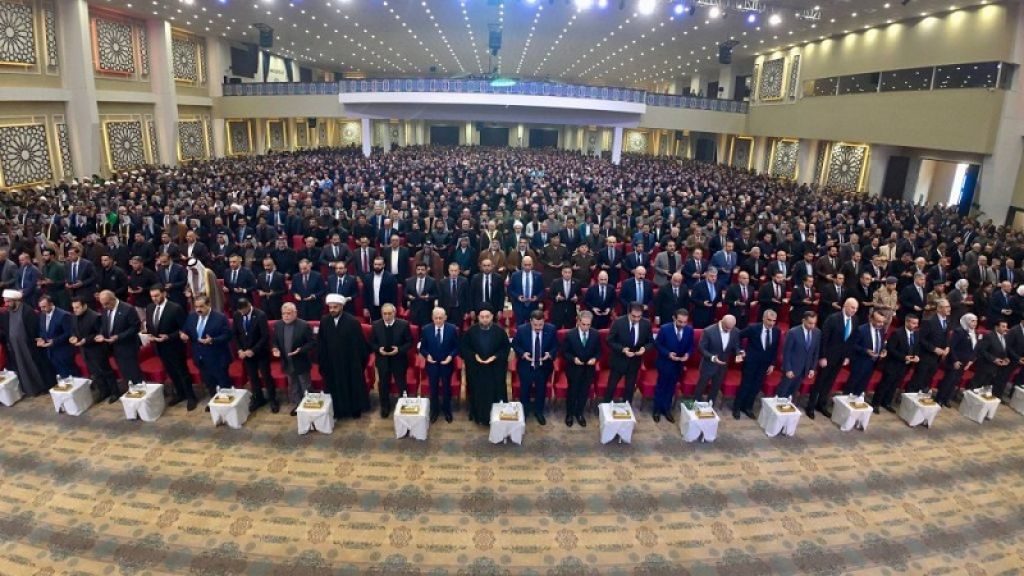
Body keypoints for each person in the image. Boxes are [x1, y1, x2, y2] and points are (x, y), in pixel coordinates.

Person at [319, 294, 371, 419]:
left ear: (341, 307)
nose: (332, 310)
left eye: (335, 307)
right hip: (332, 362)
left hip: (350, 363)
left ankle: (355, 409)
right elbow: (321, 342)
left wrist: (358, 364)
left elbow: (360, 346)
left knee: (352, 386)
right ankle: (338, 410)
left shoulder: (352, 322)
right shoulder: (324, 321)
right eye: (330, 307)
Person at [145, 285, 197, 410]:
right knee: (171, 372)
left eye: (157, 295)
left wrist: (169, 336)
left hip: (174, 346)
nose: (154, 298)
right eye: (152, 296)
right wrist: (150, 334)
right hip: (159, 347)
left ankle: (191, 396)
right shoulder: (150, 308)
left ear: (164, 293)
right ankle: (180, 393)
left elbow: (184, 328)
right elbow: (150, 325)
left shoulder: (175, 308)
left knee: (182, 372)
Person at [806, 298, 859, 419]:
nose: (854, 310)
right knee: (820, 382)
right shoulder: (833, 318)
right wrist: (822, 357)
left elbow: (852, 340)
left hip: (840, 358)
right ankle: (811, 406)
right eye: (852, 307)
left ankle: (821, 404)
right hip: (828, 357)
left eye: (856, 308)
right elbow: (824, 339)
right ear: (845, 306)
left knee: (829, 382)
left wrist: (847, 356)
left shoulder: (855, 320)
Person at [461, 305, 511, 425]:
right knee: (477, 393)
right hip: (477, 369)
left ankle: (494, 417)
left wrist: (494, 357)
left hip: (494, 370)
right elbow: (464, 349)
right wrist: (475, 356)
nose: (484, 319)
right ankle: (477, 415)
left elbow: (505, 349)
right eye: (482, 317)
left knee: (494, 393)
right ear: (478, 317)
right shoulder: (471, 332)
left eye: (487, 317)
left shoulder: (500, 332)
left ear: (492, 317)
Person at [0, 289, 55, 396]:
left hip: (30, 347)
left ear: (15, 300)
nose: (6, 304)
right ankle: (30, 389)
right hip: (16, 348)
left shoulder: (27, 311)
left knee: (35, 367)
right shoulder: (7, 313)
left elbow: (34, 331)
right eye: (5, 301)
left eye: (8, 301)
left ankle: (41, 387)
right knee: (23, 369)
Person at [180, 295, 231, 405]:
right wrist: (183, 335)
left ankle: (224, 406)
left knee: (223, 384)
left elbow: (227, 335)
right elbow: (185, 330)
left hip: (217, 358)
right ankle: (214, 402)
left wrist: (213, 340)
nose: (198, 309)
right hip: (200, 358)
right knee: (209, 383)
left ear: (209, 305)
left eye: (201, 306)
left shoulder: (220, 318)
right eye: (196, 307)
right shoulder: (192, 317)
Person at [733, 310, 780, 420]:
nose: (771, 323)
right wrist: (740, 350)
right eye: (769, 320)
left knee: (756, 386)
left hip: (764, 364)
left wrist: (772, 364)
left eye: (774, 321)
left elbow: (774, 348)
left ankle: (748, 407)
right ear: (763, 318)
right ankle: (737, 407)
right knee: (745, 385)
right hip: (751, 362)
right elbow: (738, 336)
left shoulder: (776, 331)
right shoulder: (753, 328)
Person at [512, 309, 558, 425]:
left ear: (544, 321)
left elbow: (556, 346)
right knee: (525, 390)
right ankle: (524, 411)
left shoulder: (551, 329)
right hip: (526, 365)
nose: (538, 327)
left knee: (541, 390)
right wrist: (523, 354)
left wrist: (550, 354)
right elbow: (515, 345)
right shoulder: (522, 330)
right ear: (530, 322)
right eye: (535, 325)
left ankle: (539, 412)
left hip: (543, 366)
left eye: (540, 325)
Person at [233, 298, 277, 413]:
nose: (242, 313)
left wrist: (253, 350)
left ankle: (272, 399)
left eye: (243, 310)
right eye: (240, 311)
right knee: (253, 378)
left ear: (249, 305)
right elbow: (236, 335)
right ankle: (259, 399)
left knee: (266, 377)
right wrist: (239, 350)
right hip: (246, 353)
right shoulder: (237, 315)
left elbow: (265, 336)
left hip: (261, 352)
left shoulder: (260, 315)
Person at [604, 302, 653, 404]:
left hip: (634, 362)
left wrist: (644, 349)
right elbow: (609, 340)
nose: (636, 319)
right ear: (628, 313)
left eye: (639, 316)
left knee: (630, 389)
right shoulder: (618, 322)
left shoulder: (646, 324)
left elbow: (651, 342)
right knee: (611, 387)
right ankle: (605, 405)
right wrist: (622, 349)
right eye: (633, 316)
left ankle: (627, 407)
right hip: (618, 361)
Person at [370, 303, 413, 418]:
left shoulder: (403, 325)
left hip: (398, 359)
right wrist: (378, 349)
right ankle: (385, 407)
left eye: (389, 313)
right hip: (383, 360)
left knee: (401, 384)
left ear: (394, 313)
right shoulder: (376, 325)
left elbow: (409, 342)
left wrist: (399, 350)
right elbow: (372, 343)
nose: (387, 316)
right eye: (385, 314)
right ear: (381, 314)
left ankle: (404, 404)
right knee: (383, 384)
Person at [871, 315, 921, 414]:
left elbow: (916, 347)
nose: (916, 325)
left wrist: (916, 356)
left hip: (905, 366)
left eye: (917, 323)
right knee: (885, 384)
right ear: (907, 322)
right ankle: (876, 403)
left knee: (894, 385)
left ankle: (887, 402)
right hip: (893, 364)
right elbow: (890, 349)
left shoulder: (916, 334)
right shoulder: (897, 333)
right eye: (913, 323)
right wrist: (903, 357)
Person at [97, 289, 144, 393]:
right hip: (115, 348)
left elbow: (135, 327)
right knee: (124, 372)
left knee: (134, 372)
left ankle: (140, 392)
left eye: (106, 304)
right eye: (102, 304)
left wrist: (119, 337)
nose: (104, 307)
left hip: (128, 346)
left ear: (113, 299)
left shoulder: (128, 309)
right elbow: (104, 325)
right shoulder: (105, 310)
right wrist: (101, 334)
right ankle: (131, 391)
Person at [273, 302, 316, 416]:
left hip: (301, 362)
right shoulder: (278, 325)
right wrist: (275, 348)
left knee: (305, 385)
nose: (286, 316)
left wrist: (300, 350)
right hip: (287, 362)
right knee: (293, 385)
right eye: (283, 314)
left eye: (289, 313)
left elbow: (312, 343)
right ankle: (298, 405)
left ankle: (309, 406)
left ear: (295, 313)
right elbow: (275, 341)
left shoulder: (304, 325)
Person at [418, 307, 459, 423]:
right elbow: (422, 348)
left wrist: (450, 356)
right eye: (436, 318)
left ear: (445, 317)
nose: (438, 320)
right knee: (433, 389)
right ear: (432, 318)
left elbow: (457, 347)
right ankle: (434, 411)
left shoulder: (452, 329)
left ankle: (447, 410)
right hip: (432, 364)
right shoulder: (426, 329)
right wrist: (427, 356)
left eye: (441, 318)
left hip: (447, 364)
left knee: (446, 389)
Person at [653, 308, 694, 423]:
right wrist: (668, 354)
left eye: (685, 322)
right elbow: (658, 345)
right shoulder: (665, 329)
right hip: (665, 363)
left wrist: (687, 354)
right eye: (680, 321)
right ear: (674, 318)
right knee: (661, 387)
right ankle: (657, 410)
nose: (682, 324)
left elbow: (691, 346)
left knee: (671, 388)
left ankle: (666, 409)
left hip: (678, 364)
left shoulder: (689, 330)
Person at [562, 310, 600, 427]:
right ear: (578, 321)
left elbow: (598, 351)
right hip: (574, 369)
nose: (586, 327)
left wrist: (594, 358)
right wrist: (573, 359)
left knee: (584, 393)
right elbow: (564, 352)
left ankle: (579, 414)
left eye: (588, 325)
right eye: (583, 324)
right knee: (572, 393)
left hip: (588, 369)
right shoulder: (570, 334)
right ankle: (569, 414)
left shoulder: (595, 334)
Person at [694, 314, 741, 404]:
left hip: (723, 366)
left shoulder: (735, 331)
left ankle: (710, 405)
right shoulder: (708, 331)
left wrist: (739, 352)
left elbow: (736, 346)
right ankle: (695, 405)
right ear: (721, 322)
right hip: (708, 365)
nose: (729, 330)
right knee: (701, 387)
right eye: (727, 328)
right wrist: (712, 357)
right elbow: (701, 348)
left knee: (715, 388)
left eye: (731, 328)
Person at [908, 298, 952, 393]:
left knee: (927, 380)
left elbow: (946, 336)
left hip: (937, 358)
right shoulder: (929, 321)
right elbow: (920, 339)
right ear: (939, 308)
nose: (949, 309)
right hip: (926, 356)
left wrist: (947, 347)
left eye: (949, 306)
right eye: (946, 307)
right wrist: (934, 349)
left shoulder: (947, 320)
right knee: (917, 380)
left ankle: (921, 397)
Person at [936, 313, 979, 408]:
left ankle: (947, 399)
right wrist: (955, 360)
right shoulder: (959, 331)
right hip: (954, 361)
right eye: (973, 321)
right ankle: (939, 398)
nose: (975, 323)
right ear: (967, 321)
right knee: (948, 380)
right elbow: (952, 347)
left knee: (955, 381)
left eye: (976, 321)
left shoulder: (974, 333)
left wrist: (970, 361)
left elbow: (975, 349)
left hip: (965, 362)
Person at [776, 311, 820, 399]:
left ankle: (788, 405)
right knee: (783, 392)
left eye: (814, 323)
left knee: (793, 392)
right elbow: (786, 352)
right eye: (810, 323)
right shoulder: (793, 332)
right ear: (803, 321)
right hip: (791, 369)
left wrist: (812, 368)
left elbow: (816, 352)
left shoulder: (817, 332)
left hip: (804, 370)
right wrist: (788, 369)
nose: (812, 326)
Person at [844, 310, 888, 396]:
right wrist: (865, 351)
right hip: (860, 362)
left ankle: (857, 399)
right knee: (852, 385)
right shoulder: (861, 329)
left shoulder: (881, 330)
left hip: (872, 363)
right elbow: (852, 345)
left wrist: (883, 350)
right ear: (871, 319)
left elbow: (881, 343)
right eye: (879, 321)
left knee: (862, 385)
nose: (881, 324)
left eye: (883, 322)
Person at [35, 295, 78, 379]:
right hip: (51, 352)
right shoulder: (42, 315)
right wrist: (42, 339)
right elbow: (42, 330)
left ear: (51, 304)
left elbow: (69, 333)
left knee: (71, 376)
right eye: (40, 307)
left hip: (64, 352)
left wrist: (54, 341)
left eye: (44, 307)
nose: (42, 309)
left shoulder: (64, 315)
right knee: (61, 376)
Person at [973, 318, 1012, 399]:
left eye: (1006, 327)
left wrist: (1005, 358)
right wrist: (994, 359)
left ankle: (979, 401)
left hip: (995, 368)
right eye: (1003, 326)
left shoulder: (1004, 337)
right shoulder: (989, 336)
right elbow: (982, 350)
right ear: (996, 327)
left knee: (985, 387)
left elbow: (1003, 349)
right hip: (985, 366)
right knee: (976, 385)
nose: (1005, 329)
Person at [508, 256, 544, 326]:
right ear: (522, 264)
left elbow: (542, 290)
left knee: (532, 327)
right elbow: (510, 290)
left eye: (529, 265)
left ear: (532, 265)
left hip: (533, 306)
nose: (527, 267)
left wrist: (537, 297)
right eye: (525, 265)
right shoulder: (515, 275)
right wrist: (518, 297)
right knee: (520, 327)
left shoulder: (538, 275)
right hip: (519, 306)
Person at [362, 256, 398, 322]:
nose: (377, 266)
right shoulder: (367, 277)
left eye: (379, 264)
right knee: (374, 326)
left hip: (386, 309)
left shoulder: (391, 278)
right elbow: (365, 294)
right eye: (375, 264)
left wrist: (393, 308)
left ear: (384, 265)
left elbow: (394, 295)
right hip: (372, 308)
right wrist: (365, 307)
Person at [405, 262, 437, 327]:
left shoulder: (432, 281)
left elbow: (436, 295)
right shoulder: (409, 281)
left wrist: (428, 297)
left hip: (426, 311)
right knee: (414, 329)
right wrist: (409, 296)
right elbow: (405, 294)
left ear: (426, 270)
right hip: (414, 310)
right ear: (416, 270)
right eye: (418, 269)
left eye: (422, 270)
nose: (420, 271)